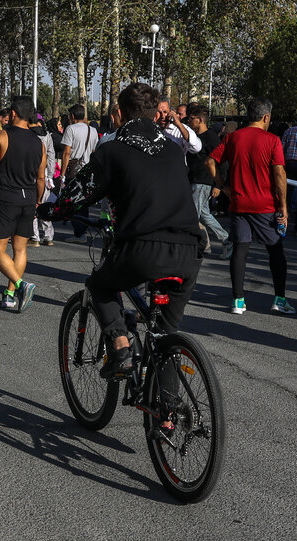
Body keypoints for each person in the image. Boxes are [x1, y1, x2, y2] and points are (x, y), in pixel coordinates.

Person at [38, 82, 204, 378]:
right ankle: (167, 419)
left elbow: (79, 193)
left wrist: (54, 209)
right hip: (190, 251)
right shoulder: (173, 150)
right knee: (165, 339)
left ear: (119, 113)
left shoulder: (113, 149)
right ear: (156, 115)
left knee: (100, 286)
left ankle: (121, 349)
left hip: (144, 248)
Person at [207, 96, 296, 315]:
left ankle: (238, 301)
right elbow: (279, 173)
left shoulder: (233, 137)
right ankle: (280, 299)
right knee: (275, 251)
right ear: (266, 116)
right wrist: (283, 205)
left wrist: (224, 186)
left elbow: (210, 161)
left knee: (240, 251)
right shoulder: (272, 140)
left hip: (239, 203)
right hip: (265, 205)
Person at [0, 96, 46, 312]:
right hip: (29, 198)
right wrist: (39, 201)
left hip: (5, 197)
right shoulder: (39, 143)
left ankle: (22, 285)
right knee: (20, 248)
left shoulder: (2, 136)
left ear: (13, 114)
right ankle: (9, 293)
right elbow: (41, 178)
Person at [186, 102, 231, 257]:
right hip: (196, 180)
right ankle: (226, 239)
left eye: (191, 118)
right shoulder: (194, 137)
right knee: (205, 215)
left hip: (203, 182)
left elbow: (223, 161)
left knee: (191, 217)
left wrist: (219, 184)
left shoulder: (211, 137)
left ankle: (190, 247)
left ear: (200, 120)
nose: (188, 121)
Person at [59, 104, 99, 240]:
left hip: (74, 171)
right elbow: (94, 152)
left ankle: (79, 232)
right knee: (83, 201)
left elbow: (66, 153)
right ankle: (83, 231)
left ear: (72, 116)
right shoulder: (93, 130)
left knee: (73, 201)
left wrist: (62, 174)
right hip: (88, 170)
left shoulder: (70, 129)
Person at [27, 114, 56, 247]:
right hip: (44, 172)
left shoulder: (27, 135)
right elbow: (51, 155)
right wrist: (50, 175)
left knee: (32, 204)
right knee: (43, 204)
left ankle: (35, 237)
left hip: (30, 173)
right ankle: (48, 236)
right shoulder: (47, 135)